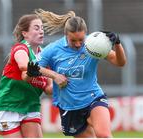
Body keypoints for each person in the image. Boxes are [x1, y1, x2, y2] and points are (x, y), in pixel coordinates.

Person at [27, 9, 126, 138]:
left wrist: (117, 44)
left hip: (93, 98)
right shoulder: (53, 49)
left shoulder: (93, 45)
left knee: (104, 135)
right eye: (73, 40)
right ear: (65, 35)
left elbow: (120, 62)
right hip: (70, 106)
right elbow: (30, 72)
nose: (78, 44)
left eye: (81, 39)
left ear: (85, 34)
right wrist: (54, 75)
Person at [0, 14, 66, 138]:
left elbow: (48, 89)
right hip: (9, 106)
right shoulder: (20, 48)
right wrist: (54, 75)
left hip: (31, 106)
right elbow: (24, 66)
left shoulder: (44, 56)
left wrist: (64, 83)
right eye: (36, 28)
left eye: (42, 28)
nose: (41, 31)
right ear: (25, 33)